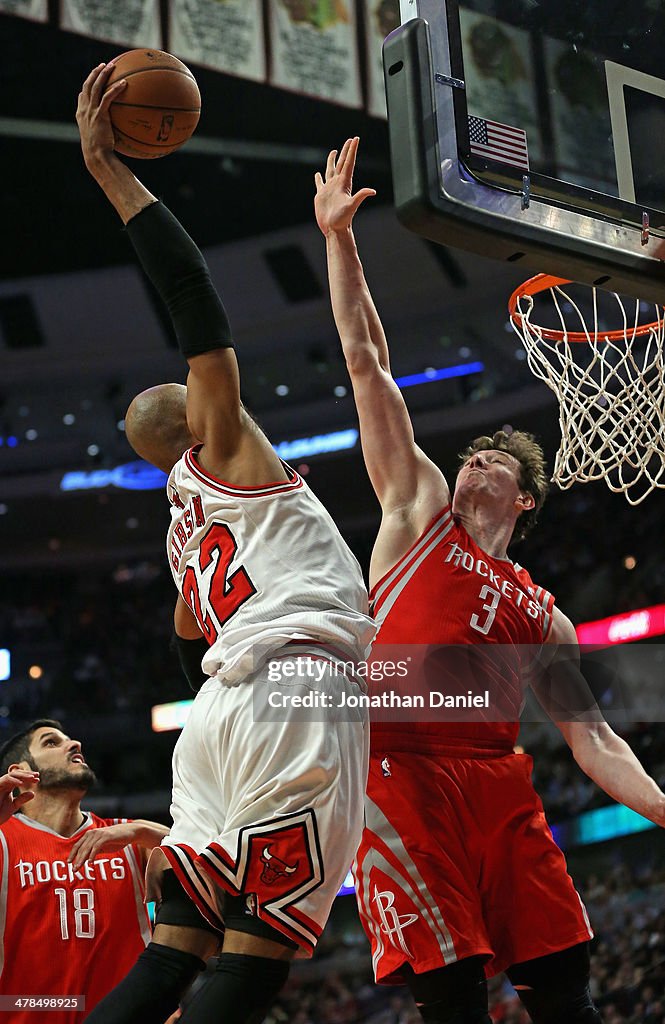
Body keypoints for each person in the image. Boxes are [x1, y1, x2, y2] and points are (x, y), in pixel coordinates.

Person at [313, 137, 665, 1024]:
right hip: (402, 768)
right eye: (468, 454)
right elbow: (369, 365)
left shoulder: (543, 616)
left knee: (563, 985)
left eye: (487, 462)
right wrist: (338, 241)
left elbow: (593, 743)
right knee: (451, 995)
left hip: (499, 782)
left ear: (521, 498)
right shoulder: (416, 509)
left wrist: (661, 807)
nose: (469, 464)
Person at [76, 67, 374, 1024]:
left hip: (214, 717)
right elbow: (191, 291)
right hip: (290, 690)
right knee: (254, 960)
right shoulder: (229, 451)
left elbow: (179, 635)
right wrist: (111, 172)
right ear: (199, 412)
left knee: (173, 961)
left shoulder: (180, 523)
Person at [0, 719, 168, 1024]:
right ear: (20, 773)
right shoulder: (3, 840)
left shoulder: (128, 837)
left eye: (70, 739)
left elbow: (209, 865)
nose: (75, 744)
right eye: (52, 742)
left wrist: (145, 831)